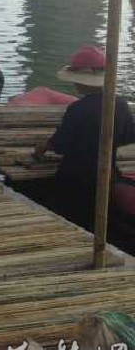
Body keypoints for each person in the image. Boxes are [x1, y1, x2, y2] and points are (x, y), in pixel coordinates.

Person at [33, 45, 135, 231]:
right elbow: (128, 136)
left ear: (82, 82)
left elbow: (60, 144)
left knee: (70, 216)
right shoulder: (120, 105)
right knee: (98, 219)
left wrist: (42, 147)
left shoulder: (78, 109)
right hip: (107, 174)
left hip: (75, 178)